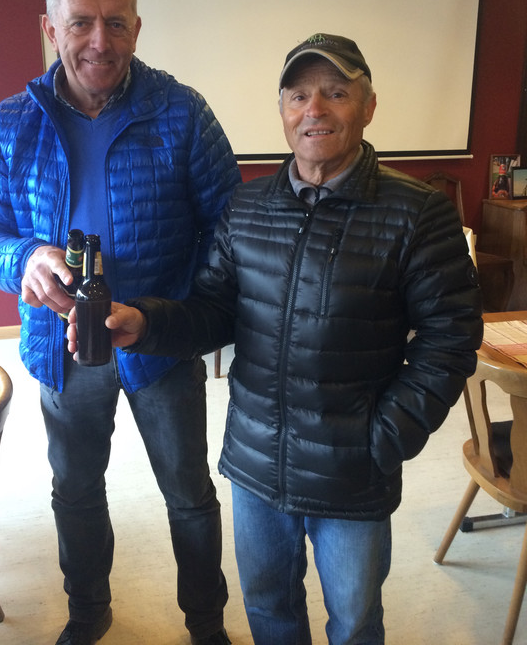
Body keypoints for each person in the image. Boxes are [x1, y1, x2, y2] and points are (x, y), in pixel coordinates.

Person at [68, 33, 484, 645]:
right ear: (283, 110)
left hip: (352, 469)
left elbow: (450, 339)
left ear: (368, 106)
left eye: (335, 93)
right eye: (298, 95)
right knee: (268, 612)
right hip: (256, 462)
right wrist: (147, 324)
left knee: (354, 623)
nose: (314, 109)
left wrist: (386, 437)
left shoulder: (418, 212)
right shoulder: (248, 205)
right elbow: (214, 311)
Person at [0, 0, 240, 645]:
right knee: (76, 491)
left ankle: (206, 622)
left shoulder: (183, 113)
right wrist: (24, 257)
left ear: (137, 28)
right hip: (61, 346)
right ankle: (88, 612)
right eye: (80, 23)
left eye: (116, 23)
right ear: (49, 28)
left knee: (189, 494)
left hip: (159, 341)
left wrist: (182, 314)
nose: (99, 41)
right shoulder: (12, 123)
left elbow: (229, 226)